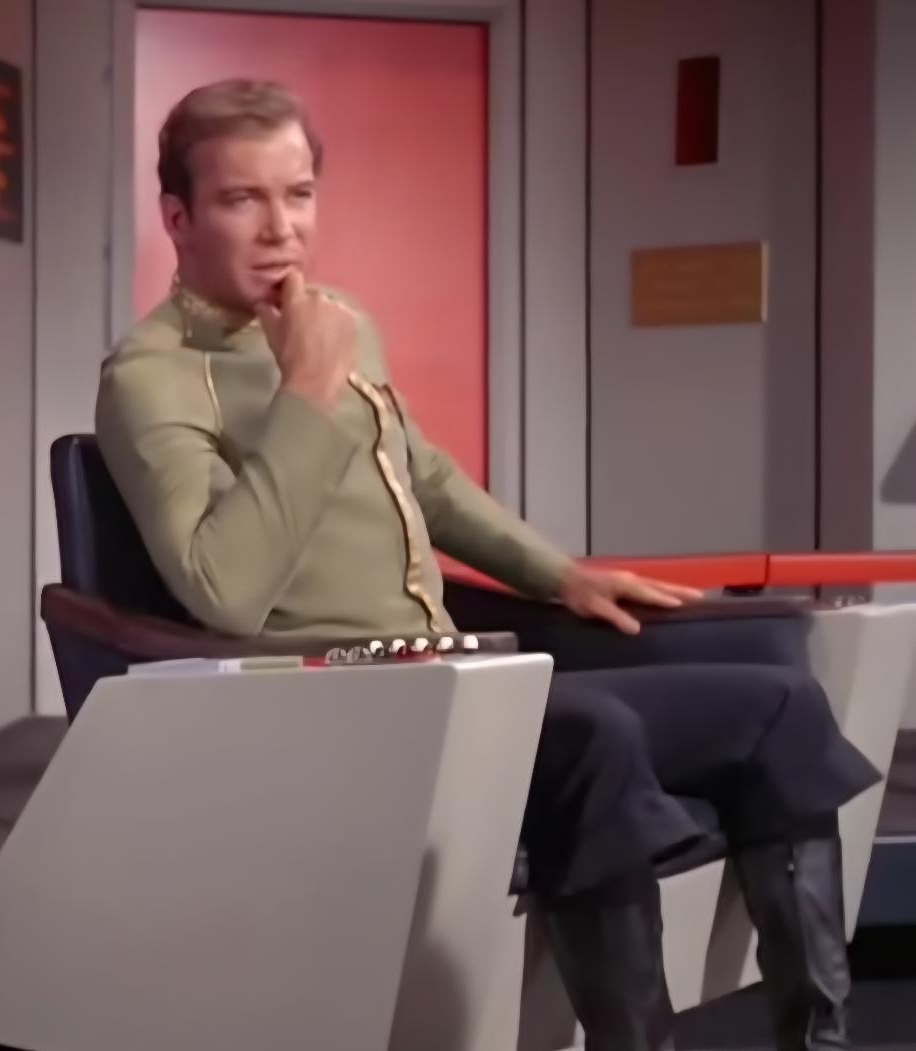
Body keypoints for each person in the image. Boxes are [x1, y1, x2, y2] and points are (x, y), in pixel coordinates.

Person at [96, 79, 880, 1050]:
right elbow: (224, 590)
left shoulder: (342, 321)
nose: (280, 228)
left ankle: (820, 1038)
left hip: (459, 675)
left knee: (779, 704)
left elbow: (423, 478)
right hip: (329, 705)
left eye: (297, 194)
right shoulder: (151, 377)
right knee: (594, 732)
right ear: (178, 218)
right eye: (240, 199)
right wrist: (307, 387)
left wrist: (558, 573)